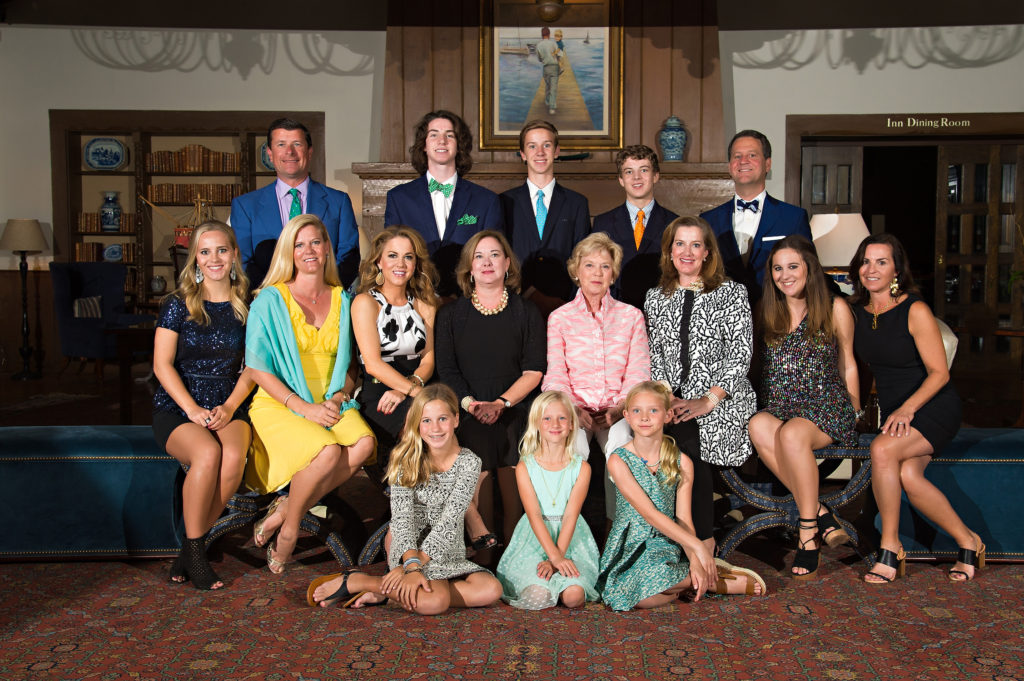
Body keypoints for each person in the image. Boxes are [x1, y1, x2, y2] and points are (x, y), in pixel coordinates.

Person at [243, 214, 376, 574]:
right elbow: (257, 368)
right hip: (281, 402)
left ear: (328, 247)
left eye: (316, 242)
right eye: (299, 245)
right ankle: (289, 532)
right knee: (328, 451)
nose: (309, 250)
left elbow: (349, 368)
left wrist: (337, 398)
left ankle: (286, 510)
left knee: (364, 444)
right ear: (289, 252)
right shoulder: (269, 300)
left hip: (331, 399)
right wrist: (303, 407)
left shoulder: (344, 299)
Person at [849, 234, 983, 584]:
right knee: (909, 475)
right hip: (897, 413)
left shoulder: (914, 309)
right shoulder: (857, 312)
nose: (871, 269)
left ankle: (890, 547)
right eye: (866, 261)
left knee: (882, 450)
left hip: (932, 406)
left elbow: (940, 373)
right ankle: (969, 540)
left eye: (881, 262)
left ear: (896, 270)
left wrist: (907, 409)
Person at [307, 385, 504, 614]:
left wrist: (420, 562)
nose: (435, 428)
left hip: (445, 547)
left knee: (491, 589)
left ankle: (385, 590)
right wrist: (410, 563)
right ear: (417, 424)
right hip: (406, 543)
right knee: (434, 603)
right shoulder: (406, 459)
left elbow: (451, 521)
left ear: (456, 420)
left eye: (442, 419)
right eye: (426, 420)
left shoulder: (470, 463)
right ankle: (358, 581)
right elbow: (402, 519)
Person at [748, 235, 860, 580]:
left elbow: (848, 362)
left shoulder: (834, 307)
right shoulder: (766, 309)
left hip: (824, 404)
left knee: (793, 434)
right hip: (780, 405)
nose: (785, 275)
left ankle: (808, 532)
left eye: (792, 266)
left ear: (809, 268)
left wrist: (855, 408)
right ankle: (823, 513)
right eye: (777, 268)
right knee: (757, 425)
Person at [597, 382, 766, 611]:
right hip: (631, 543)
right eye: (637, 410)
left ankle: (693, 576)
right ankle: (708, 582)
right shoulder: (619, 460)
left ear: (668, 415)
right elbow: (649, 514)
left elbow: (683, 518)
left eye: (653, 410)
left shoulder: (682, 462)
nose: (644, 417)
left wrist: (694, 557)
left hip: (665, 542)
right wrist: (698, 547)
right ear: (626, 415)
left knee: (647, 585)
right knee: (626, 597)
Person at [152, 220, 255, 590]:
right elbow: (161, 365)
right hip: (178, 404)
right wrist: (192, 409)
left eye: (222, 250)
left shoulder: (249, 305)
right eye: (205, 251)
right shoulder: (177, 304)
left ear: (234, 255)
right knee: (207, 454)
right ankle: (197, 554)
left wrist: (229, 406)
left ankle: (189, 549)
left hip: (228, 400)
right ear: (195, 258)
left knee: (233, 457)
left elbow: (254, 367)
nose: (214, 259)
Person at [644, 216, 757, 554]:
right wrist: (667, 398)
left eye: (696, 245)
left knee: (689, 439)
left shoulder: (731, 293)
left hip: (724, 399)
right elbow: (655, 355)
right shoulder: (655, 297)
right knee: (671, 431)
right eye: (680, 244)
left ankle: (702, 544)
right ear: (669, 251)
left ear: (708, 252)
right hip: (671, 399)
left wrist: (708, 400)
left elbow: (741, 353)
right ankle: (682, 539)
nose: (687, 252)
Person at [435, 231, 545, 549]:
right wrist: (472, 405)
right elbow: (447, 371)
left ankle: (513, 549)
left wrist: (501, 403)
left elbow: (534, 371)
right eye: (479, 256)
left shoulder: (526, 311)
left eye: (495, 255)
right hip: (469, 407)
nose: (487, 262)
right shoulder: (450, 315)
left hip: (515, 404)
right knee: (476, 444)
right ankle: (484, 549)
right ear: (469, 267)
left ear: (507, 264)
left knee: (513, 442)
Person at [543, 232, 650, 461]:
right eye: (589, 265)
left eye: (605, 266)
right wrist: (573, 408)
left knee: (623, 447)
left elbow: (638, 372)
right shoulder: (559, 318)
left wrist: (621, 408)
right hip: (574, 409)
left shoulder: (631, 316)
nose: (597, 273)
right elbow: (556, 373)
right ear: (576, 271)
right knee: (571, 449)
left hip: (618, 409)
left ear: (613, 275)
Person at [496, 391, 600, 609]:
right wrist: (554, 557)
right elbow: (534, 514)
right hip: (534, 538)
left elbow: (571, 515)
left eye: (562, 418)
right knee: (539, 595)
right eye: (547, 418)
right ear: (536, 423)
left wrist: (558, 558)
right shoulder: (525, 466)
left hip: (570, 540)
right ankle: (550, 586)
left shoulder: (582, 468)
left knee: (573, 598)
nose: (555, 424)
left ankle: (563, 586)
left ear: (571, 424)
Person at [384, 110, 503, 297]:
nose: (442, 141)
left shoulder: (486, 200)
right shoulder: (399, 198)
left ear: (459, 145)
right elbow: (391, 256)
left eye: (450, 135)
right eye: (434, 135)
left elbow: (495, 260)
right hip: (414, 297)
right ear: (424, 145)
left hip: (469, 300)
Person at [230, 118, 359, 287]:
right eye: (281, 144)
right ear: (270, 153)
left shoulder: (339, 202)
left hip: (325, 297)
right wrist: (276, 296)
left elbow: (349, 258)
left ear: (310, 152)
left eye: (297, 144)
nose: (289, 152)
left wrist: (322, 294)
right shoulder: (245, 206)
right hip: (268, 298)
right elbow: (243, 262)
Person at [352, 226, 438, 463]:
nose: (400, 264)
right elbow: (372, 364)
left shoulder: (425, 304)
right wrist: (415, 393)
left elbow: (428, 360)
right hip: (379, 392)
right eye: (392, 255)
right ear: (379, 262)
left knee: (439, 420)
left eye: (408, 257)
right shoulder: (365, 302)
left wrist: (407, 389)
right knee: (420, 424)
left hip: (414, 385)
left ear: (415, 264)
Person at [699, 130, 811, 302]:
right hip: (723, 312)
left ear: (767, 164)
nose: (743, 161)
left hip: (777, 311)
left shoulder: (793, 217)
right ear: (730, 166)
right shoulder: (707, 220)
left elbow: (810, 270)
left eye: (752, 155)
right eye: (737, 156)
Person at [500, 120, 590, 314]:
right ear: (523, 154)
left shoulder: (577, 203)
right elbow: (499, 258)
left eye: (546, 145)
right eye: (532, 146)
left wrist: (569, 304)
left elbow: (583, 259)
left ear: (556, 151)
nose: (540, 152)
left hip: (565, 308)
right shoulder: (504, 202)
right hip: (515, 307)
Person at [592, 144, 679, 310]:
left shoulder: (674, 223)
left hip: (662, 310)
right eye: (629, 172)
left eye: (644, 170)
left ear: (655, 176)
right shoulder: (603, 223)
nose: (636, 177)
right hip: (615, 311)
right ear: (621, 180)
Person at [535, 27, 561, 115]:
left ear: (542, 35)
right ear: (549, 34)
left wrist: (545, 58)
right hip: (554, 67)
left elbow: (539, 59)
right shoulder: (553, 43)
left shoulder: (539, 45)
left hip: (546, 68)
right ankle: (552, 107)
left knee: (548, 85)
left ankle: (547, 101)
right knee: (553, 87)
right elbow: (559, 54)